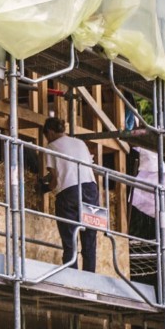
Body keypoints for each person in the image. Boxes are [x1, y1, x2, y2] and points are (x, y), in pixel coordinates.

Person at [42, 117, 99, 272]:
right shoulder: (80, 143)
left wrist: (44, 188)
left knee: (70, 238)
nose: (47, 139)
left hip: (69, 192)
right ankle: (90, 276)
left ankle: (72, 274)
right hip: (92, 190)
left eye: (46, 135)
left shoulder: (51, 146)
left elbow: (54, 180)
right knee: (89, 238)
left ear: (51, 132)